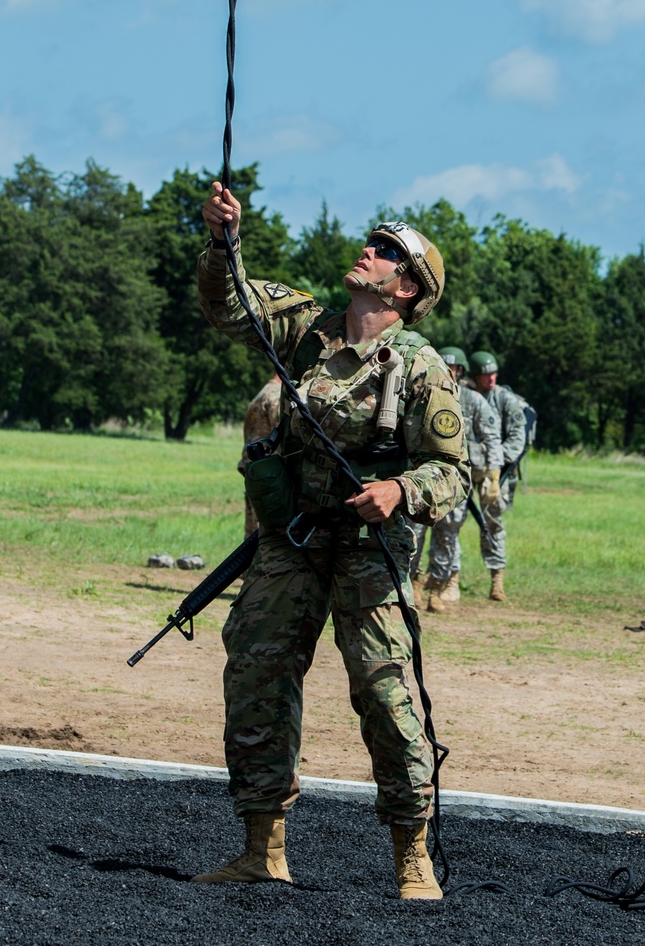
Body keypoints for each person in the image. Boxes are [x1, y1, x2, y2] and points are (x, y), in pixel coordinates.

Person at [194, 183, 470, 900]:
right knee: (256, 672)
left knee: (382, 693)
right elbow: (230, 305)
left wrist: (400, 491)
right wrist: (224, 240)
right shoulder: (308, 327)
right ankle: (263, 847)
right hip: (290, 539)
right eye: (371, 242)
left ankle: (413, 855)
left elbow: (453, 475)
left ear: (408, 287)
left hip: (368, 553)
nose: (368, 251)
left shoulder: (420, 367)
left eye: (386, 252)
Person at [410, 347, 504, 609]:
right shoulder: (419, 394)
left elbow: (491, 436)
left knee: (448, 535)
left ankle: (436, 589)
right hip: (420, 477)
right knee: (414, 533)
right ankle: (414, 583)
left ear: (461, 371)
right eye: (446, 367)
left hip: (456, 481)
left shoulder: (473, 401)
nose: (450, 372)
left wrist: (492, 473)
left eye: (455, 369)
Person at [470, 351, 530, 592]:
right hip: (465, 466)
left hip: (495, 471)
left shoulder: (506, 400)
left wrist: (495, 460)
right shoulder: (464, 395)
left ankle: (497, 580)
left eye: (493, 373)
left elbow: (518, 437)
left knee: (493, 520)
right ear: (475, 376)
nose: (491, 378)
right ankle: (435, 579)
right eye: (485, 374)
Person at [239, 373, 282, 537]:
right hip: (268, 480)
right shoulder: (276, 396)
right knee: (261, 537)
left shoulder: (264, 393)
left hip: (255, 475)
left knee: (252, 537)